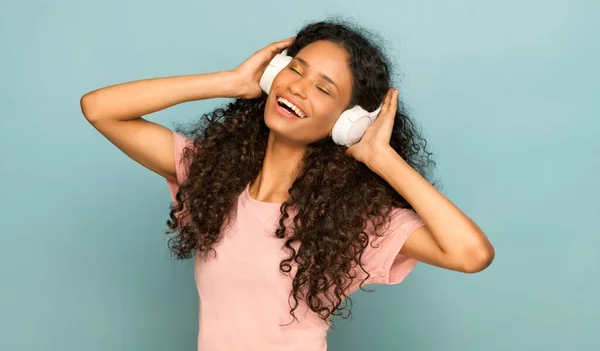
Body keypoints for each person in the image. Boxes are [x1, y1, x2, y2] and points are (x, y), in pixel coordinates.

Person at [80, 19, 495, 351]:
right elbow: (99, 109)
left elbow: (471, 254)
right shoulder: (212, 179)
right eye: (294, 69)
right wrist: (229, 81)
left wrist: (381, 159)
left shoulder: (348, 221)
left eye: (322, 88)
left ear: (348, 123)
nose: (297, 88)